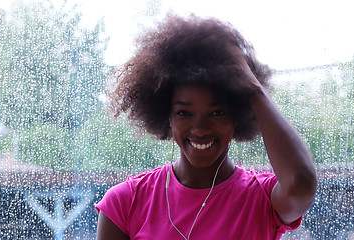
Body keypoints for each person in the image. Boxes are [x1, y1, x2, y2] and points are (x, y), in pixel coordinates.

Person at [95, 14, 317, 240]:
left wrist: (252, 88)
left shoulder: (262, 198)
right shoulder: (125, 203)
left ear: (238, 116)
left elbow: (301, 183)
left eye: (217, 113)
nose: (200, 128)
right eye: (184, 113)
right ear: (166, 115)